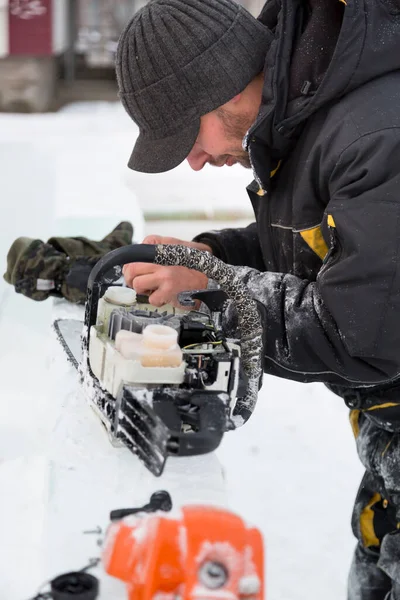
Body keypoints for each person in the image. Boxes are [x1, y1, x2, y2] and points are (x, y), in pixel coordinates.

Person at [116, 0, 400, 597]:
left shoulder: (378, 134)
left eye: (188, 134)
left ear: (222, 87)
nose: (193, 160)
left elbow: (364, 332)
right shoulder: (308, 117)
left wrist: (216, 288)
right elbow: (315, 249)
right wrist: (207, 255)